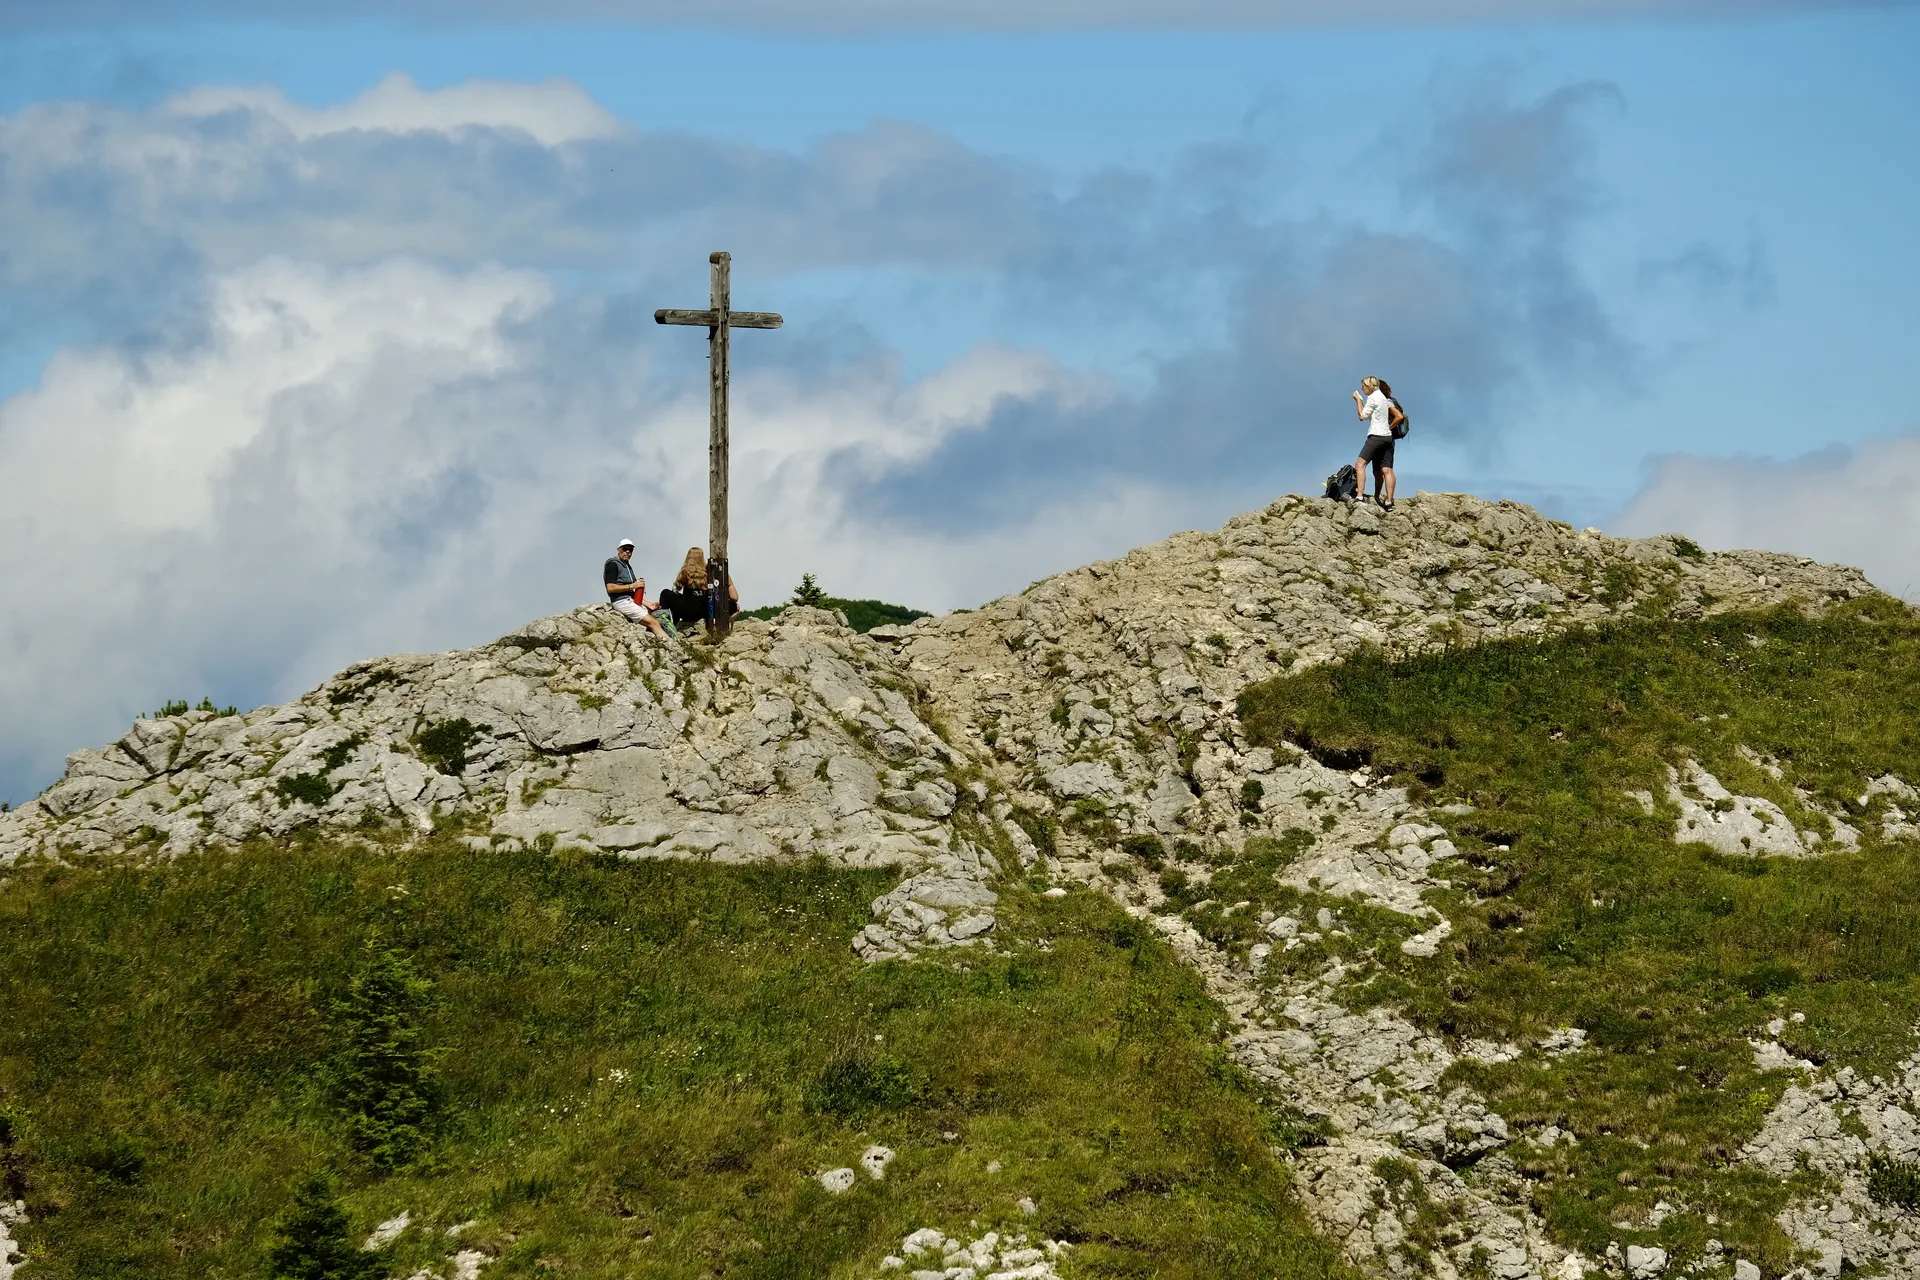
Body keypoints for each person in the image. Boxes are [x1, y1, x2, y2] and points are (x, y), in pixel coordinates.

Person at [1350, 375, 1406, 511]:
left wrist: (1358, 400)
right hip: (1387, 437)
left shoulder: (1373, 397)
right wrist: (1389, 427)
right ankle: (1388, 502)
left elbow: (1362, 416)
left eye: (1363, 386)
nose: (1362, 388)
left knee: (1360, 465)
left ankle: (1359, 496)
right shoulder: (1384, 398)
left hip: (1376, 435)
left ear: (1369, 386)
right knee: (1387, 470)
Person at [658, 546, 740, 633]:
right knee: (736, 606)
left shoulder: (685, 571)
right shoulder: (710, 571)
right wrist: (729, 581)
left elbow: (675, 590)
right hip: (706, 611)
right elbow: (734, 598)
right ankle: (724, 621)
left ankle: (668, 624)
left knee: (665, 593)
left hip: (687, 612)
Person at [603, 538, 669, 637]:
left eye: (630, 550)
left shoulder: (627, 566)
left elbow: (630, 592)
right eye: (625, 549)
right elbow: (610, 588)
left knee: (655, 615)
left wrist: (648, 604)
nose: (628, 552)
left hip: (630, 600)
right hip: (621, 601)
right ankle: (671, 645)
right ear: (618, 549)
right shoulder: (613, 564)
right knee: (654, 623)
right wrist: (633, 586)